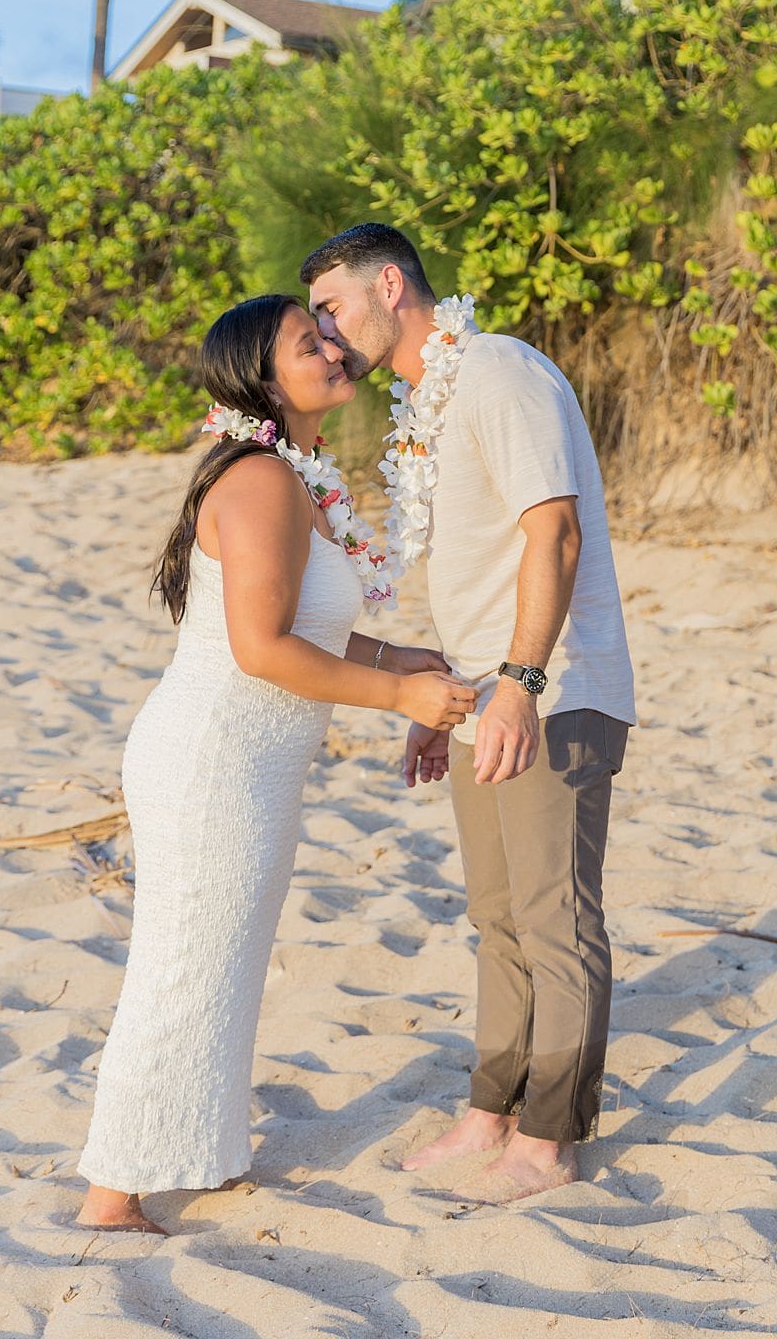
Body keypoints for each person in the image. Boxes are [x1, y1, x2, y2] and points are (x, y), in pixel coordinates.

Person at [75, 293, 474, 1233]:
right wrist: (401, 698)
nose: (335, 349)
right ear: (265, 379)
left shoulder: (290, 475)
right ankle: (109, 1194)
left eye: (328, 334)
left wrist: (400, 657)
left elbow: (308, 628)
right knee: (183, 962)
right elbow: (260, 649)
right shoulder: (259, 481)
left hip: (249, 757)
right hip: (214, 758)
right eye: (311, 342)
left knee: (225, 961)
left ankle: (194, 1150)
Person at [302, 225, 636, 1204]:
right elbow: (480, 562)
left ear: (390, 285)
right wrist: (443, 699)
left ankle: (550, 1140)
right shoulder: (430, 399)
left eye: (331, 305)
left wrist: (521, 684)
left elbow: (555, 531)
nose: (324, 330)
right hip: (483, 692)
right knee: (496, 918)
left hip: (554, 691)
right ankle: (491, 1114)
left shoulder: (497, 372)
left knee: (554, 918)